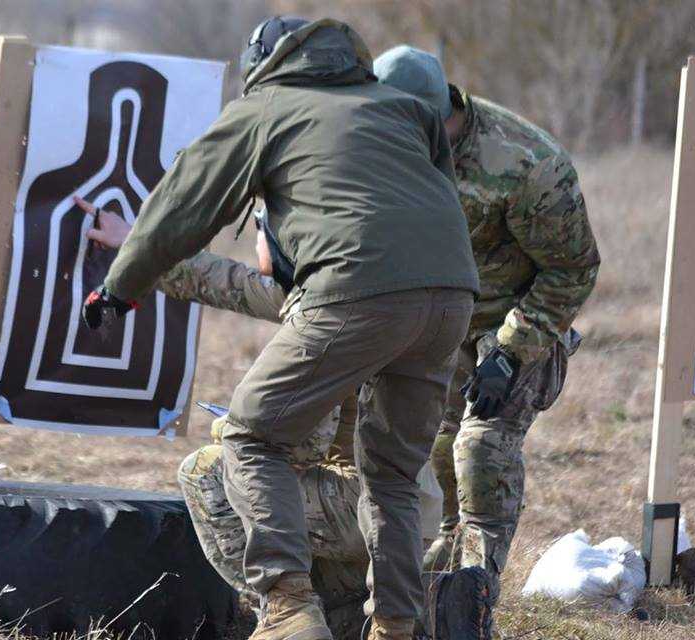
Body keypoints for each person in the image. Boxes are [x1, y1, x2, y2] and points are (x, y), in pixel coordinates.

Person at [82, 16, 480, 640]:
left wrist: (120, 285)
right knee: (394, 475)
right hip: (453, 295)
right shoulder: (402, 109)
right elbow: (432, 192)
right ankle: (397, 628)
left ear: (263, 68)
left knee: (249, 438)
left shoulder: (268, 107)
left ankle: (289, 613)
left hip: (358, 290)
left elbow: (182, 203)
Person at [79, 200, 445, 639]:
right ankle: (368, 613)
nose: (255, 245)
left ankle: (286, 617)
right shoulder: (364, 288)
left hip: (363, 509)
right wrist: (138, 246)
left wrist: (232, 423)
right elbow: (227, 282)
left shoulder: (325, 315)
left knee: (212, 471)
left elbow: (298, 440)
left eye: (258, 230)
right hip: (411, 515)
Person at [373, 45, 601, 611]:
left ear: (435, 112)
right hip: (438, 324)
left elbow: (573, 268)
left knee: (480, 448)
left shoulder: (525, 163)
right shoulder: (384, 145)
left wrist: (511, 350)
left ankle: (470, 597)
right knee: (438, 452)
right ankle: (438, 576)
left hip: (519, 323)